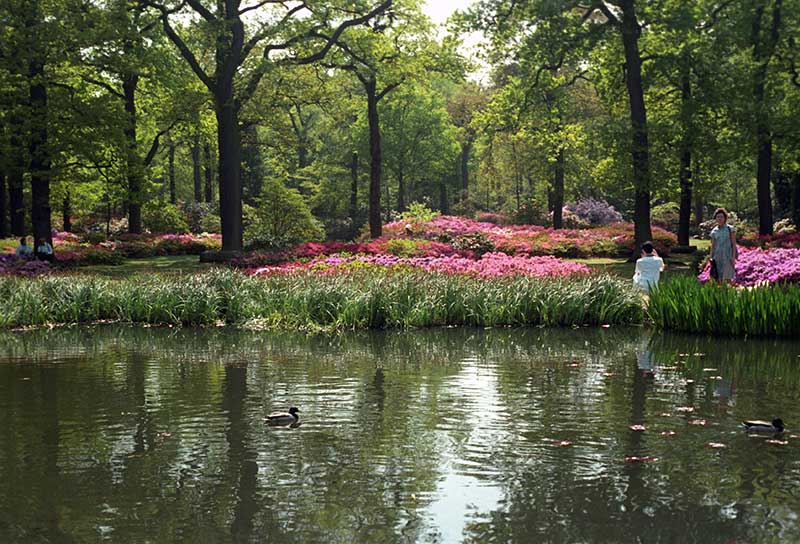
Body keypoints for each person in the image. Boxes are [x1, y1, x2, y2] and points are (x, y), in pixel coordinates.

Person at [710, 207, 737, 283]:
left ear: (725, 218)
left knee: (728, 278)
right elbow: (713, 246)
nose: (720, 219)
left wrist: (733, 257)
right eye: (718, 217)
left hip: (728, 257)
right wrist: (711, 257)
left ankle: (729, 294)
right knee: (718, 279)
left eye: (721, 217)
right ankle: (719, 294)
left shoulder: (730, 229)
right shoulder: (714, 231)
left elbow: (734, 244)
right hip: (717, 257)